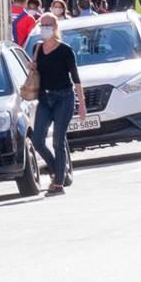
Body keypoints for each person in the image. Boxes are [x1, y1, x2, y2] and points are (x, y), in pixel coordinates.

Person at [29, 13, 87, 196]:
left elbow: (76, 78)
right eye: (42, 24)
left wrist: (82, 103)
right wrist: (32, 67)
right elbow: (38, 72)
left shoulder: (65, 50)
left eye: (49, 25)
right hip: (45, 99)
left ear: (55, 27)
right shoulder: (36, 48)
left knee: (58, 139)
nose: (45, 28)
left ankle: (58, 183)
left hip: (64, 97)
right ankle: (57, 168)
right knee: (37, 139)